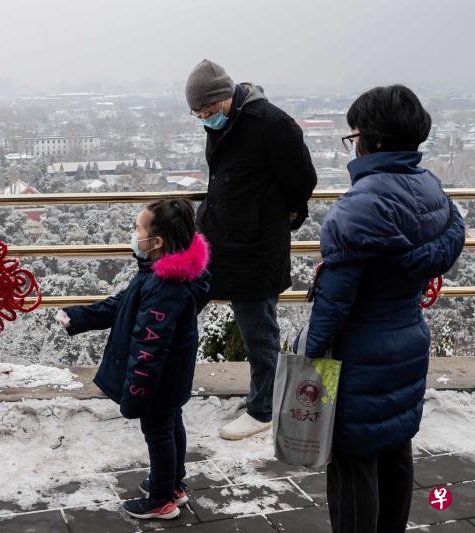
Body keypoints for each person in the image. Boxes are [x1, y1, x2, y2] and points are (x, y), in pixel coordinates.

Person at [300, 85, 465, 533]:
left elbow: (334, 304)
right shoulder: (431, 188)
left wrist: (309, 357)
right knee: (394, 448)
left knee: (353, 463)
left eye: (352, 134)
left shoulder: (357, 208)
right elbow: (451, 235)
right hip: (407, 339)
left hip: (359, 354)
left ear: (368, 139)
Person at [185, 59, 318, 440]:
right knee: (180, 304)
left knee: (258, 329)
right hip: (222, 239)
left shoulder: (272, 124)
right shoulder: (227, 120)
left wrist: (281, 215)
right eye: (198, 114)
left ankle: (262, 410)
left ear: (224, 97)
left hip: (257, 245)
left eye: (207, 111)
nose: (204, 119)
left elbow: (302, 179)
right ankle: (261, 394)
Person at [56, 199, 211, 520]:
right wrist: (79, 317)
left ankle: (161, 499)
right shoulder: (161, 274)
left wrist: (136, 393)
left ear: (156, 242)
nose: (133, 235)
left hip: (156, 380)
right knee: (170, 424)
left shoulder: (164, 286)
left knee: (158, 431)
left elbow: (149, 348)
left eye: (137, 229)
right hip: (171, 377)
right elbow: (122, 304)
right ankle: (172, 484)